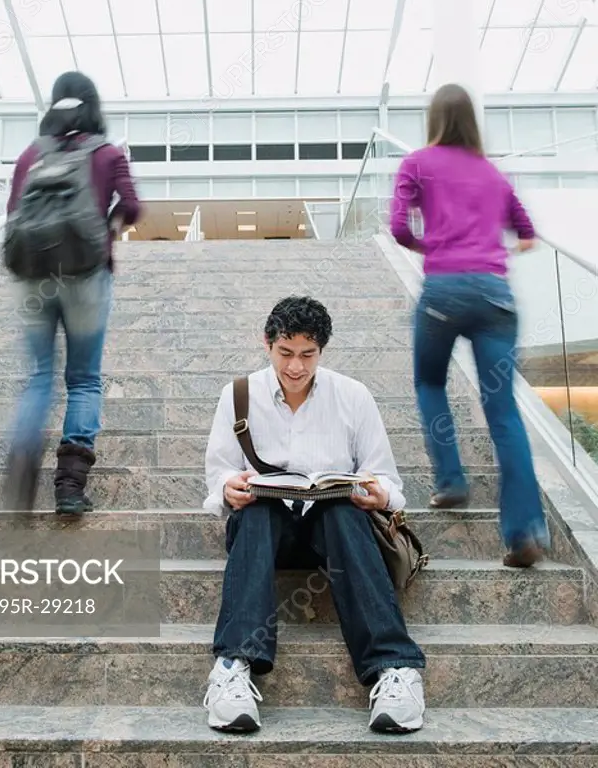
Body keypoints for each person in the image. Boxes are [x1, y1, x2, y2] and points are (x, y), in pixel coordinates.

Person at [202, 295, 426, 735]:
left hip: (336, 533)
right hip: (267, 532)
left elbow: (387, 481)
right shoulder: (238, 395)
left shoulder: (353, 396)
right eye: (285, 353)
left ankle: (395, 669)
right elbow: (219, 475)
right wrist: (228, 488)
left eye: (308, 355)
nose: (296, 367)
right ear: (267, 344)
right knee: (259, 508)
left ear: (322, 351)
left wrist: (376, 493)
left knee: (342, 511)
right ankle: (233, 668)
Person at [390, 82, 549, 568]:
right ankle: (523, 531)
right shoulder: (492, 174)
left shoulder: (417, 162)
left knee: (429, 380)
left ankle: (452, 480)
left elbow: (398, 227)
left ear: (434, 118)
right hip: (496, 297)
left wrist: (433, 248)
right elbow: (526, 234)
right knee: (503, 413)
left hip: (444, 292)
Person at [2, 71, 141, 517]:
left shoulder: (30, 156)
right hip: (84, 275)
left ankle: (21, 474)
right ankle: (69, 487)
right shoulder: (106, 153)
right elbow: (132, 205)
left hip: (32, 277)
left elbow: (13, 216)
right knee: (83, 379)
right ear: (93, 106)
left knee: (40, 375)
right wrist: (110, 227)